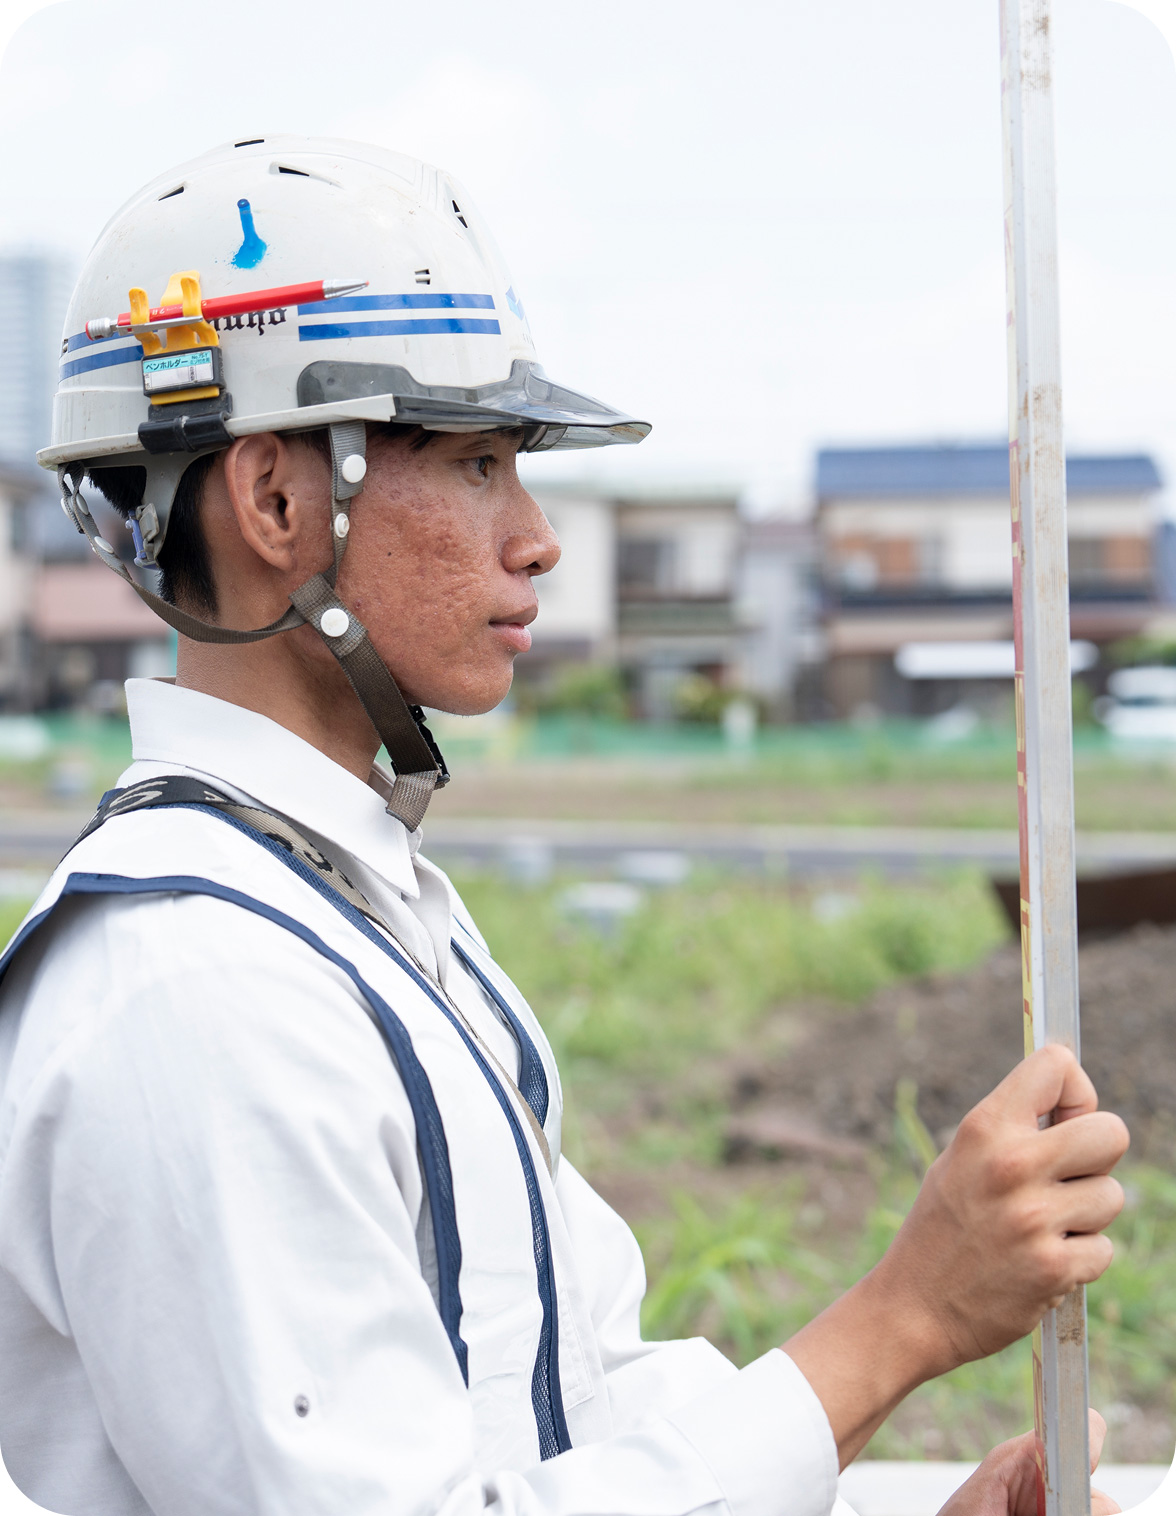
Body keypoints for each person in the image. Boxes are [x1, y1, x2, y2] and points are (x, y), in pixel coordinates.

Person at [0, 137, 1128, 1516]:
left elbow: (570, 1408)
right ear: (279, 501)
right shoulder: (195, 989)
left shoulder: (358, 913)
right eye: (476, 466)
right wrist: (901, 1321)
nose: (534, 536)